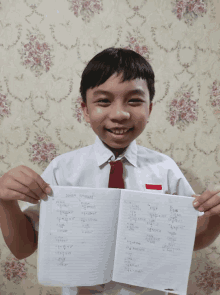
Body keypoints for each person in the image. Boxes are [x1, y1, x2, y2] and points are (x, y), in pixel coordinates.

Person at [0, 47, 204, 295]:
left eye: (135, 100)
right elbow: (23, 248)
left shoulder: (165, 169)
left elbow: (191, 239)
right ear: (85, 109)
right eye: (104, 101)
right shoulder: (63, 170)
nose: (119, 114)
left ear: (149, 109)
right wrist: (5, 202)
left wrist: (215, 217)